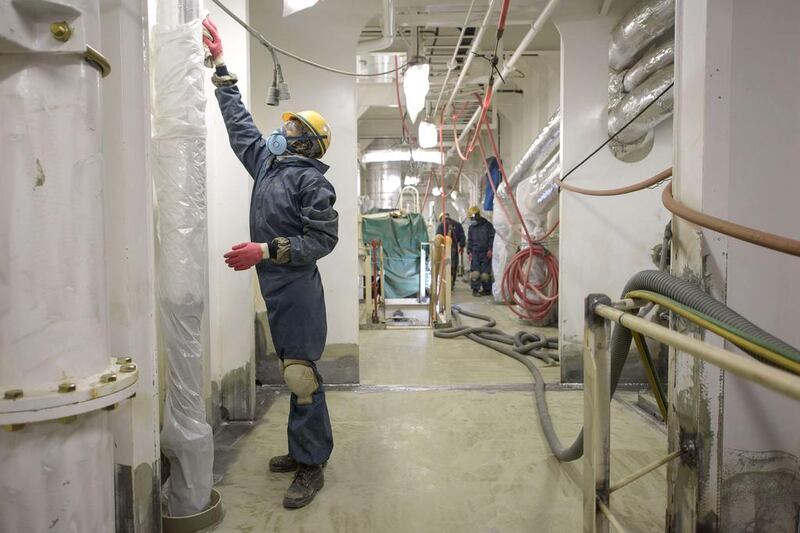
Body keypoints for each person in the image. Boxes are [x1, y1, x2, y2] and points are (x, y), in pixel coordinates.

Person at [203, 18, 335, 509]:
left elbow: (322, 239)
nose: (283, 129)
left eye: (293, 128)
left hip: (297, 288)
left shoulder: (312, 183)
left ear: (307, 144)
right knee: (291, 372)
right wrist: (221, 66)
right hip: (275, 286)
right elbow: (240, 124)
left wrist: (265, 250)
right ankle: (303, 449)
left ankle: (312, 464)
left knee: (302, 376)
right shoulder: (266, 163)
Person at [466, 206, 495, 297]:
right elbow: (470, 240)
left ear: (477, 216)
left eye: (472, 218)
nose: (471, 220)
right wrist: (469, 251)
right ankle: (475, 290)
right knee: (475, 273)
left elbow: (492, 238)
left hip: (485, 253)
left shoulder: (488, 225)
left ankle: (487, 290)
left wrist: (490, 249)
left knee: (485, 274)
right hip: (475, 253)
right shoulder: (471, 228)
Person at [435, 213, 466, 290]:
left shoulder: (441, 225)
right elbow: (462, 236)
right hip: (454, 246)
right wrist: (462, 246)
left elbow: (438, 238)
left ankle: (446, 282)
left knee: (445, 264)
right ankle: (452, 282)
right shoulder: (458, 224)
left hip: (445, 247)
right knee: (454, 265)